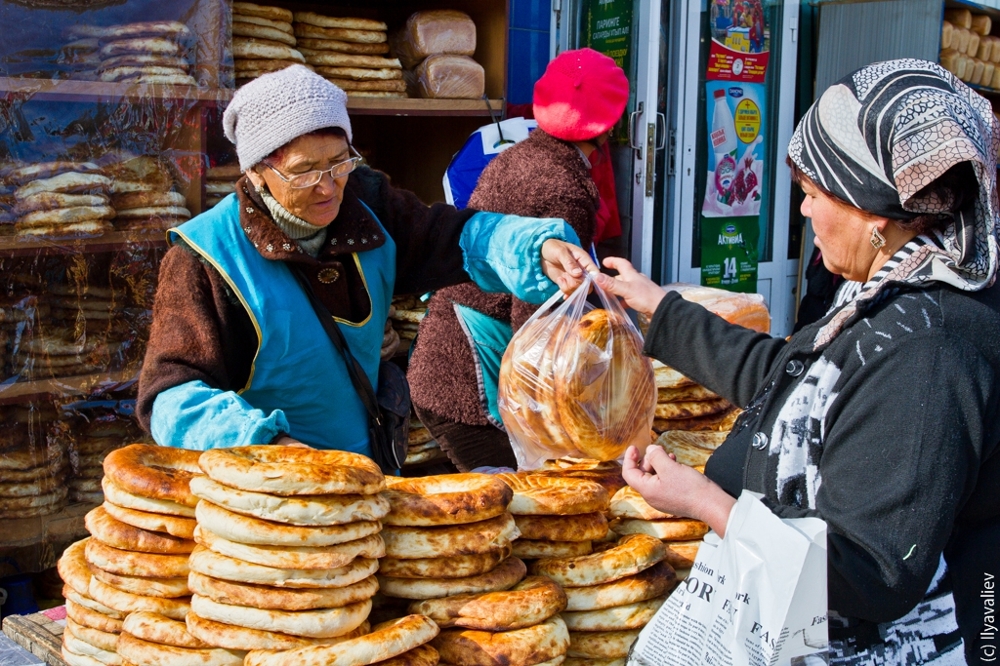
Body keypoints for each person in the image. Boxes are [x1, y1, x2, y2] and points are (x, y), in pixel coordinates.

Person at [594, 60, 999, 664]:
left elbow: (874, 573)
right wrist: (659, 308)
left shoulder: (931, 349)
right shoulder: (892, 291)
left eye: (813, 195)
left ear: (875, 212)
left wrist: (706, 502)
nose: (803, 213)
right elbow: (795, 384)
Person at [136, 65, 596, 456]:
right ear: (256, 171)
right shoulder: (204, 258)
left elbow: (454, 235)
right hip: (267, 494)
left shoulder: (367, 204)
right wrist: (263, 446)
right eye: (304, 171)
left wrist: (536, 247)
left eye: (339, 162)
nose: (328, 186)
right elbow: (171, 396)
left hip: (368, 466)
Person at [407, 48, 629, 470]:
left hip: (443, 362)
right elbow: (541, 318)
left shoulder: (520, 154)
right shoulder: (564, 187)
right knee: (519, 513)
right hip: (471, 386)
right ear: (610, 123)